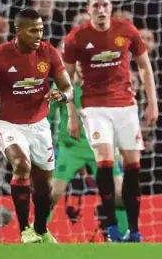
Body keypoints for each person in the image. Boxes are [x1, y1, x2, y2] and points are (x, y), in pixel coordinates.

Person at [62, 0, 159, 242]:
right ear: (88, 9)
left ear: (111, 6)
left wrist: (153, 102)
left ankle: (135, 231)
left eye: (105, 4)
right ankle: (113, 228)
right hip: (94, 108)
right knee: (105, 161)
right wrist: (72, 114)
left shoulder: (126, 30)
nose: (101, 9)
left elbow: (145, 68)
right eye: (96, 5)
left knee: (132, 165)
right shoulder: (76, 38)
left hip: (126, 106)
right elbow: (66, 79)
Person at [0, 8, 73, 243]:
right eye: (33, 30)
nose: (39, 34)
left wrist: (62, 95)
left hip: (39, 125)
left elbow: (67, 87)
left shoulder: (48, 52)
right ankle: (25, 230)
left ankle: (40, 230)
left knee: (43, 188)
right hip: (7, 123)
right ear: (18, 31)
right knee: (21, 164)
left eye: (41, 29)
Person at [47, 72, 128, 237]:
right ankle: (38, 232)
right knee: (53, 192)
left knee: (119, 194)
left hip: (101, 146)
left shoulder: (103, 83)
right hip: (71, 148)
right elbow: (46, 114)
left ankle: (125, 234)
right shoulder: (61, 85)